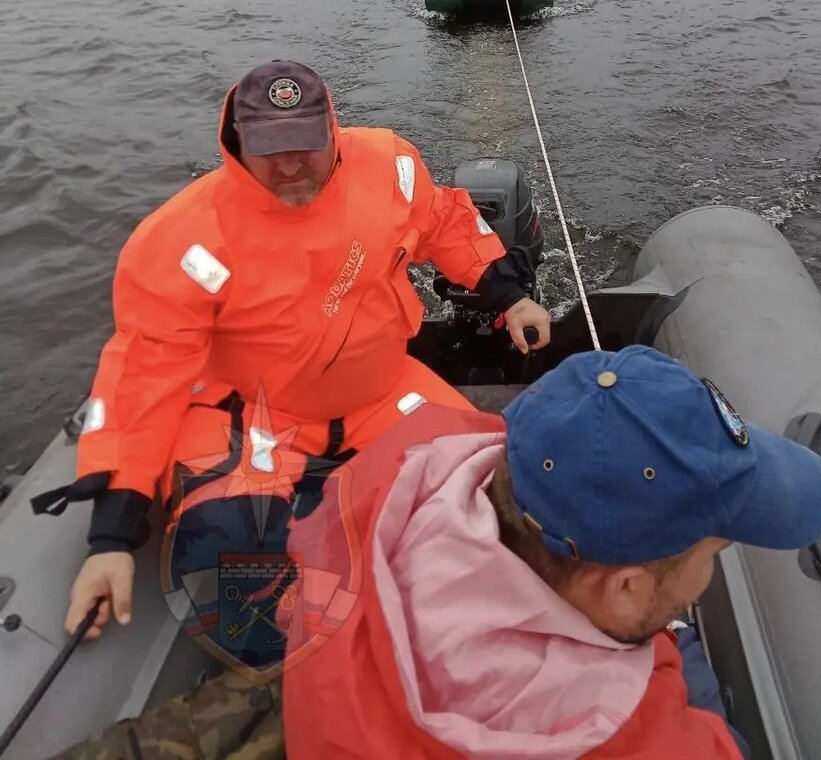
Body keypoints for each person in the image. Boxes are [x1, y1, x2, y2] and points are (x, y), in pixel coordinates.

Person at [33, 59, 550, 649]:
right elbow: (144, 376)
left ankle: (458, 624)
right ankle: (304, 664)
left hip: (379, 394)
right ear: (236, 144)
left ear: (333, 131)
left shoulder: (389, 166)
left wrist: (511, 298)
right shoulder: (183, 239)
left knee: (497, 492)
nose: (290, 164)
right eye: (271, 148)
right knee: (222, 538)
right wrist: (111, 540)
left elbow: (442, 221)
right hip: (258, 421)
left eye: (305, 145)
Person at [280, 344, 821, 758]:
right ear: (623, 588)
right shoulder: (646, 742)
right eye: (712, 552)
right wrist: (670, 649)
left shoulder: (375, 494)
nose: (708, 571)